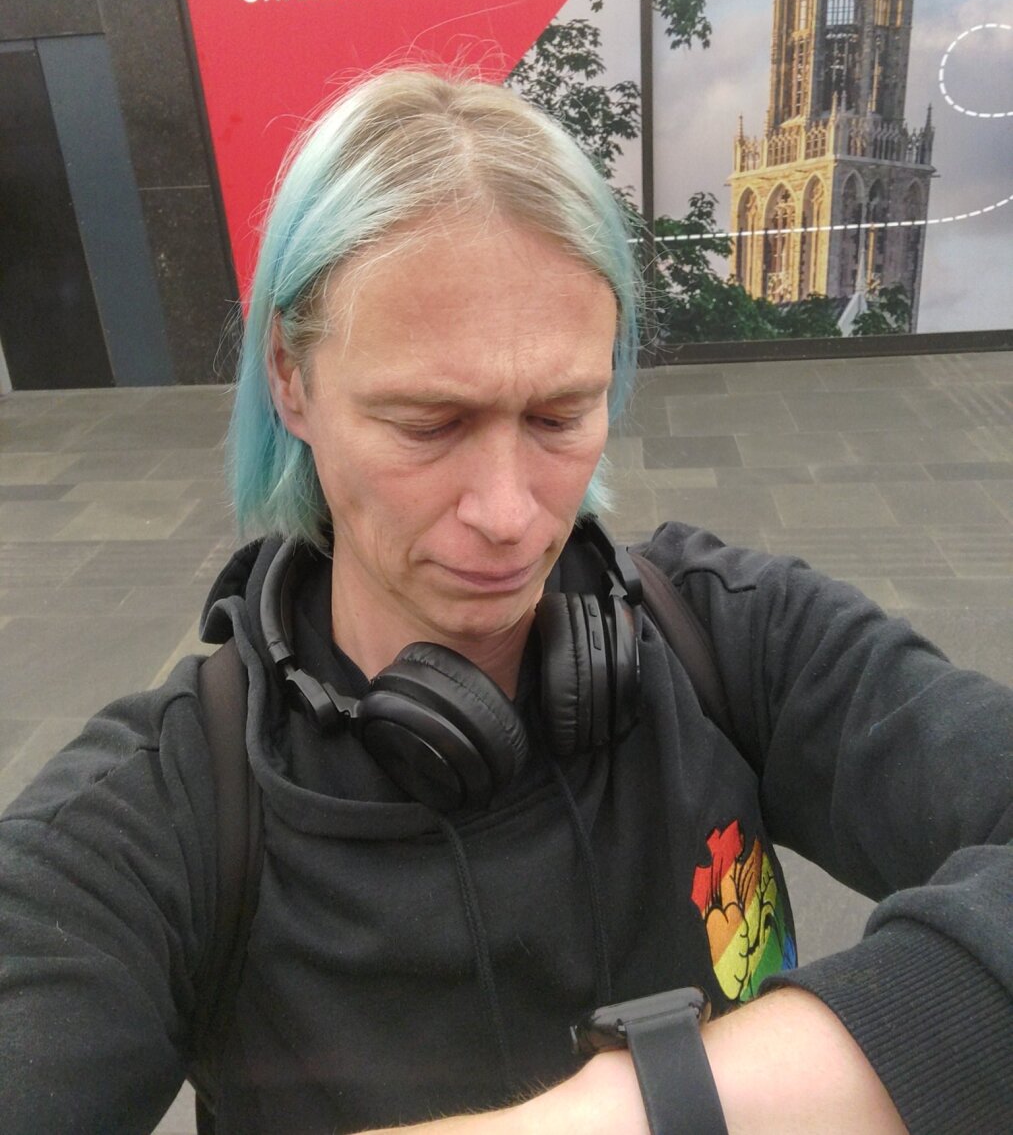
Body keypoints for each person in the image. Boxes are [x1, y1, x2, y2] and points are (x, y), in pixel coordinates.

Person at [0, 69, 1010, 1135]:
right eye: (427, 424)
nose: (507, 512)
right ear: (291, 380)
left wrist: (637, 1106)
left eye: (559, 414)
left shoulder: (734, 638)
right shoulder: (147, 825)